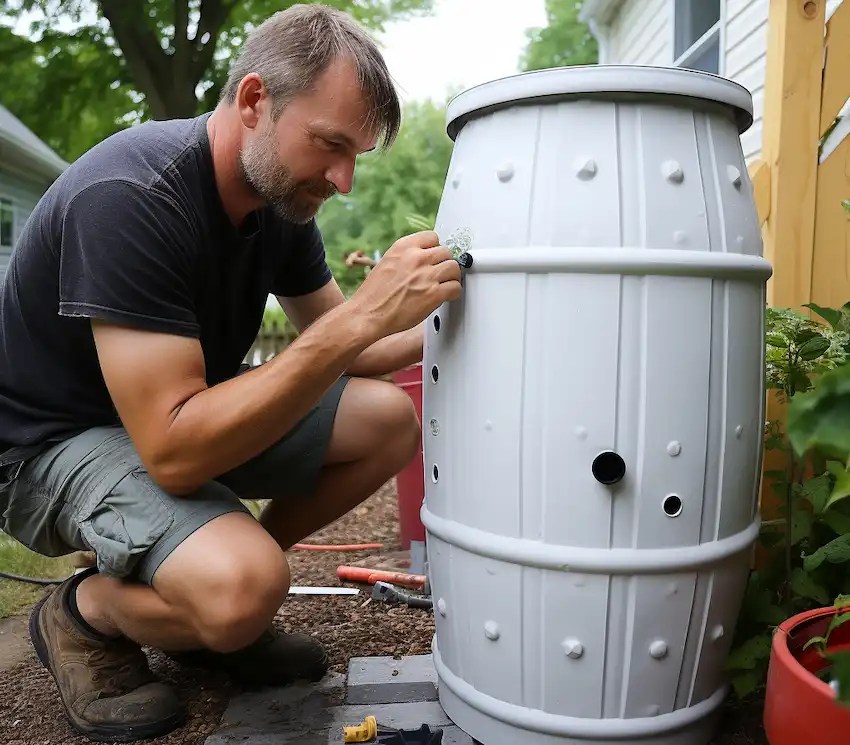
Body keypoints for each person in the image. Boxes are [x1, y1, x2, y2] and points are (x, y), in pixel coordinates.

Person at [0, 4, 461, 742]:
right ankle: (90, 610)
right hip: (51, 446)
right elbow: (176, 453)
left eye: (356, 156)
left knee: (384, 420)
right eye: (331, 145)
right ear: (254, 102)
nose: (343, 180)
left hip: (168, 421)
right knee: (241, 584)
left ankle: (219, 601)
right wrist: (358, 317)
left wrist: (452, 314)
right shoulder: (131, 198)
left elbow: (357, 347)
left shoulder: (281, 199)